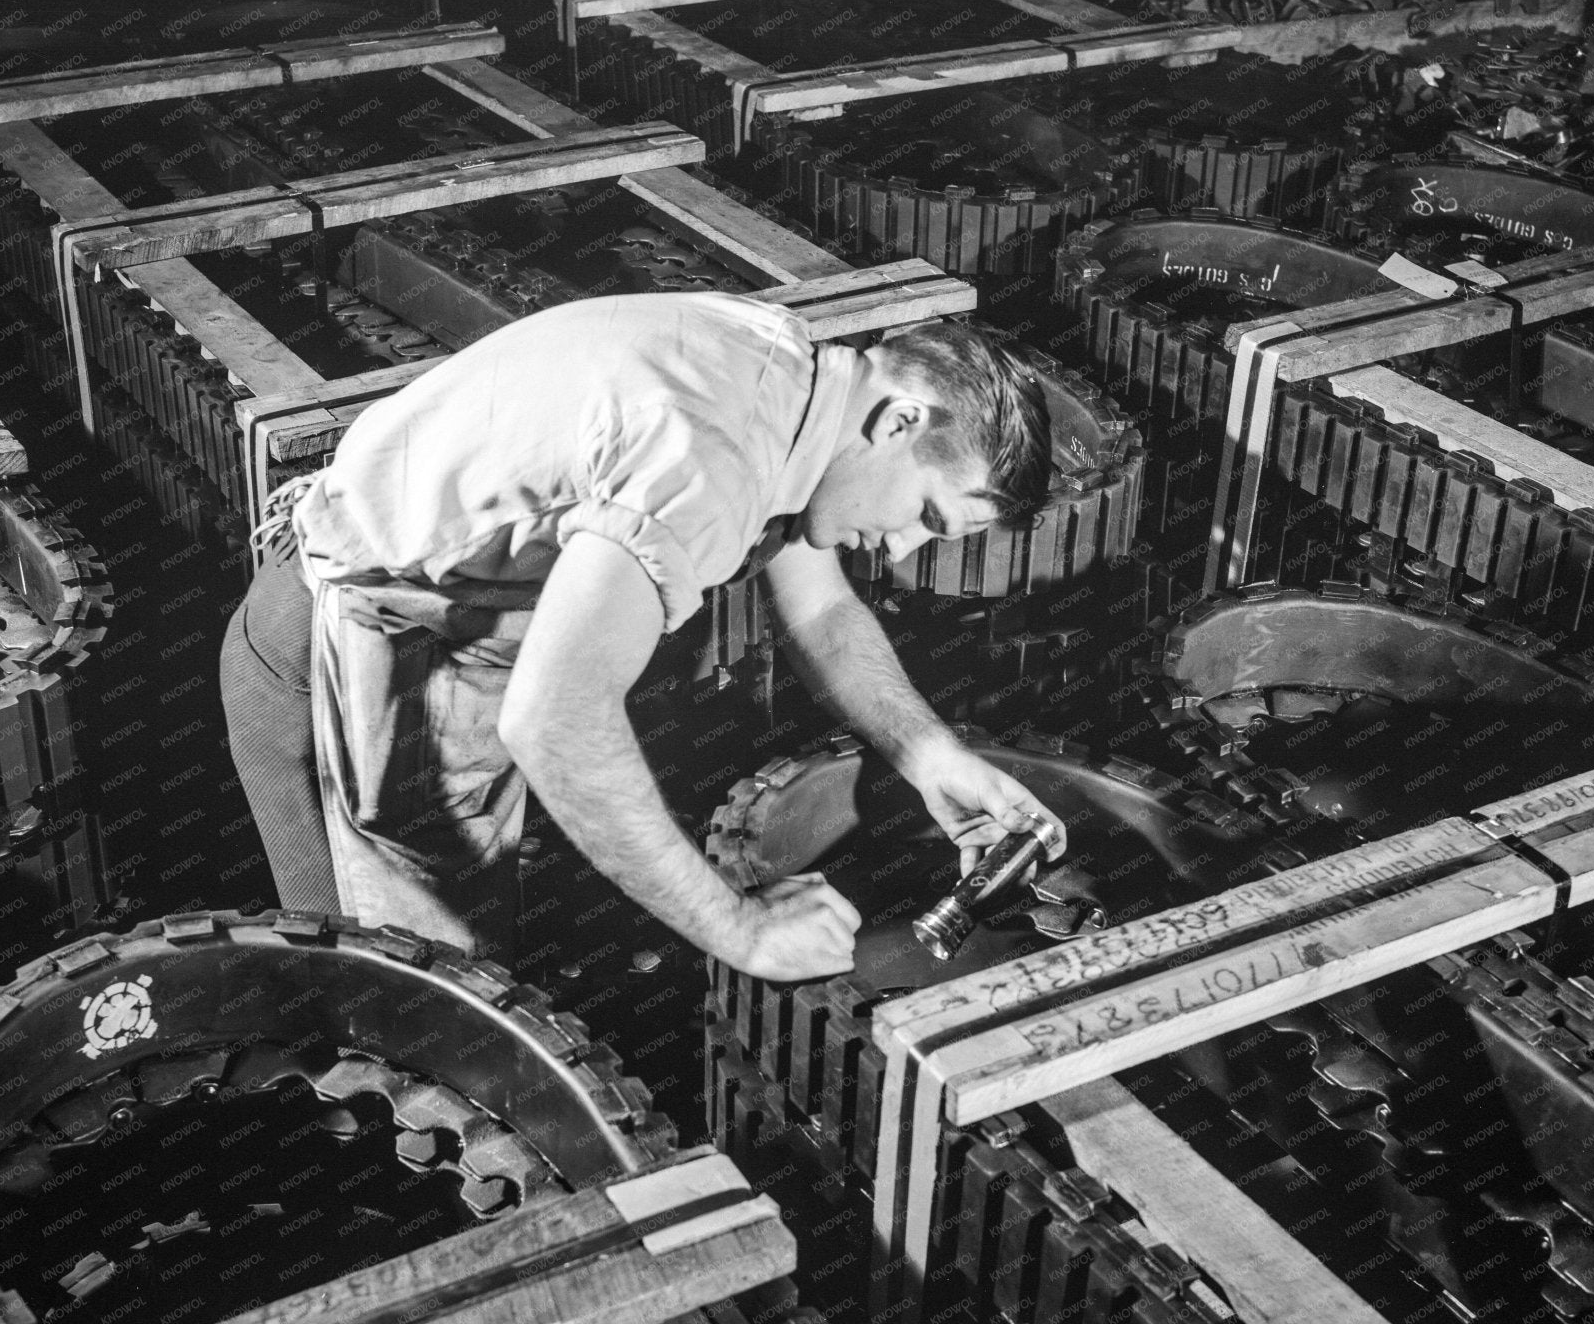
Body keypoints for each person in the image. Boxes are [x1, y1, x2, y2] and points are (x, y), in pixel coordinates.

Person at [219, 291, 1066, 982]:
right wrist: (743, 931)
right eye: (925, 514)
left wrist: (929, 757)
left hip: (448, 630)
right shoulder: (711, 459)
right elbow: (555, 720)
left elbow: (819, 609)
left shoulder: (793, 374)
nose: (903, 546)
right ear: (900, 423)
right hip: (333, 662)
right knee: (420, 1001)